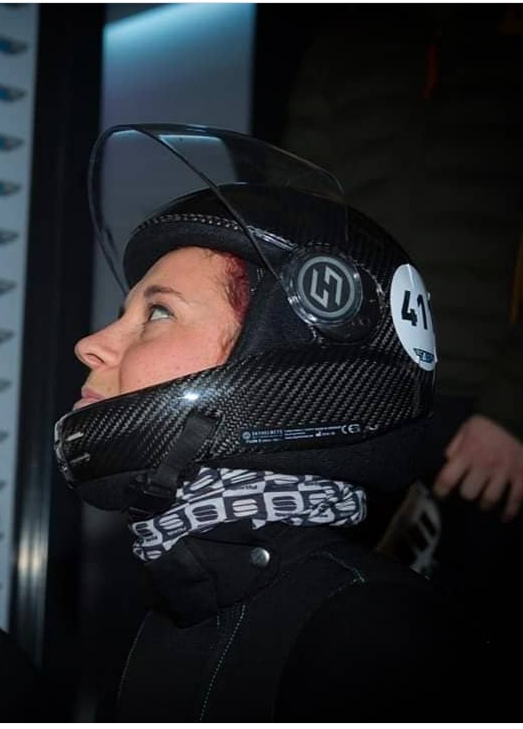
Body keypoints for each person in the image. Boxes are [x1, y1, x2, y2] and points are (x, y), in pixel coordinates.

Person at [53, 123, 497, 721]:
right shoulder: (173, 612)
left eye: (157, 312)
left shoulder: (373, 631)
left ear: (275, 360)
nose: (90, 344)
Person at [279, 3, 523, 662]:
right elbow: (295, 210)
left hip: (481, 408)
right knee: (335, 630)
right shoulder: (347, 35)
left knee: (472, 645)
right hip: (347, 387)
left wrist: (513, 411)